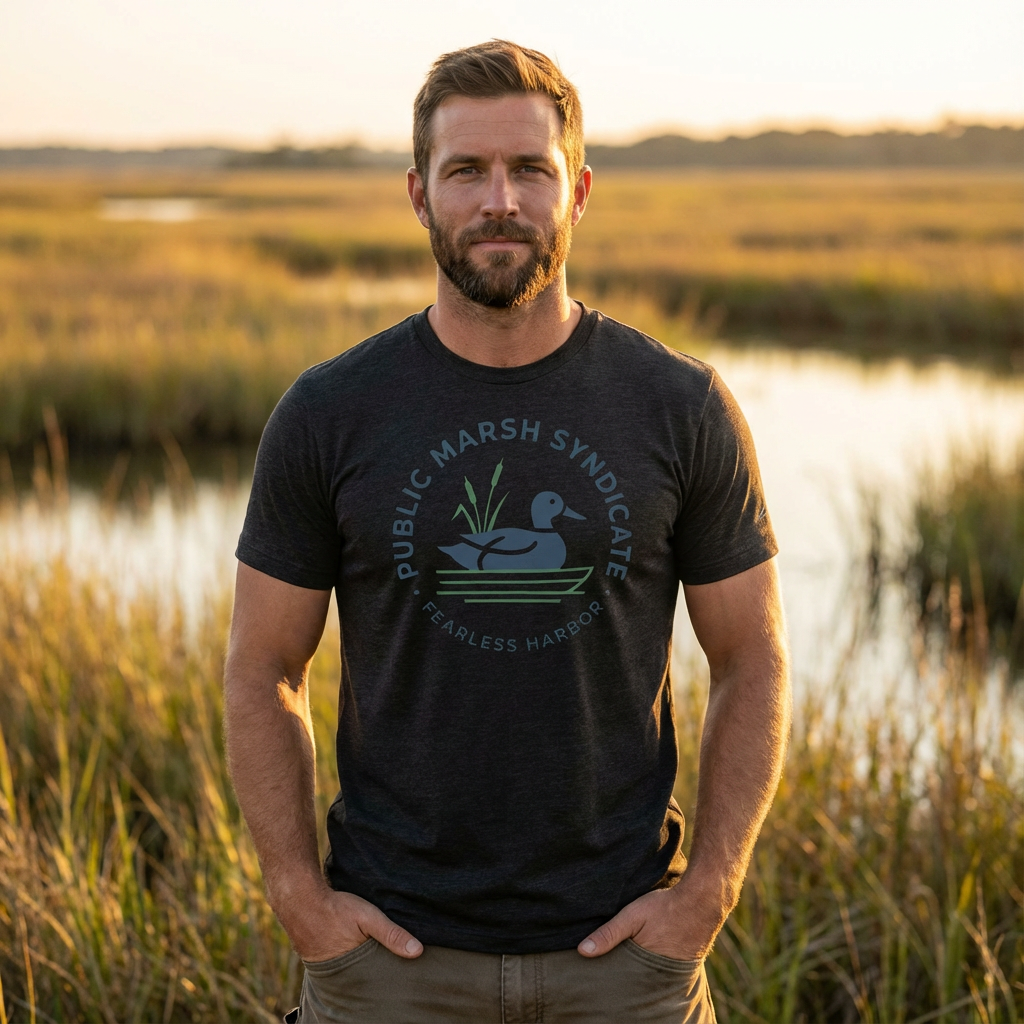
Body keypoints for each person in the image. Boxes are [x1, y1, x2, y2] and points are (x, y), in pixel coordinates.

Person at [224, 39, 791, 1024]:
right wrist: (299, 898)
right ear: (418, 195)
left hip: (625, 967)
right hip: (389, 967)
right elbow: (263, 665)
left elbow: (753, 658)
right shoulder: (328, 412)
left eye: (530, 168)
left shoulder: (680, 404)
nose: (500, 201)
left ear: (578, 191)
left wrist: (707, 893)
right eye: (466, 172)